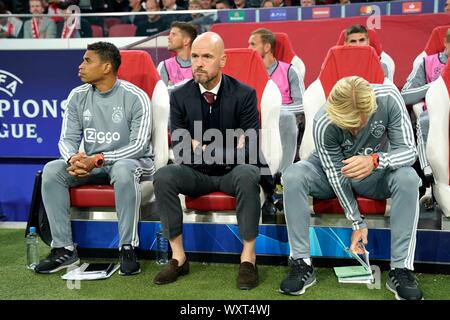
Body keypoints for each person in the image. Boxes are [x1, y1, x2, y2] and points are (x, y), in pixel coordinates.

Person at [279, 76, 423, 300]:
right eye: (347, 125)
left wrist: (376, 160)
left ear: (371, 108)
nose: (354, 131)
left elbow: (409, 151)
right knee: (293, 175)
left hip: (377, 171)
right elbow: (337, 176)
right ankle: (301, 263)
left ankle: (401, 269)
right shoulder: (323, 120)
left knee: (409, 178)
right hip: (332, 173)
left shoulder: (388, 97)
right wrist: (357, 221)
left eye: (360, 123)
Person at [153, 32, 263, 290]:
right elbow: (181, 150)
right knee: (164, 176)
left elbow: (250, 150)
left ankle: (248, 258)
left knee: (248, 173)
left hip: (232, 174)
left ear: (222, 60)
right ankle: (178, 257)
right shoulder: (179, 96)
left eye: (206, 56)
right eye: (194, 56)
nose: (198, 63)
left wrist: (200, 146)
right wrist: (226, 147)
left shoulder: (245, 94)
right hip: (196, 174)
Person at [34, 42, 154, 276]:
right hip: (91, 163)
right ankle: (63, 249)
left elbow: (138, 146)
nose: (80, 66)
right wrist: (73, 159)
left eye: (87, 61)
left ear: (107, 67)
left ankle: (127, 247)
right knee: (51, 171)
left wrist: (98, 159)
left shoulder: (136, 97)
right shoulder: (77, 96)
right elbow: (66, 139)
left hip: (132, 162)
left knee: (122, 169)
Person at [401, 28, 450, 208]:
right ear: (446, 43)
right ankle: (429, 180)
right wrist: (438, 84)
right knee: (424, 121)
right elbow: (406, 95)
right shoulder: (427, 63)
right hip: (436, 113)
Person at [157, 21, 197, 88]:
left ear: (186, 41)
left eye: (173, 34)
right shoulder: (164, 66)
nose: (168, 37)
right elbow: (160, 95)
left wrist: (172, 87)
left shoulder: (200, 64)